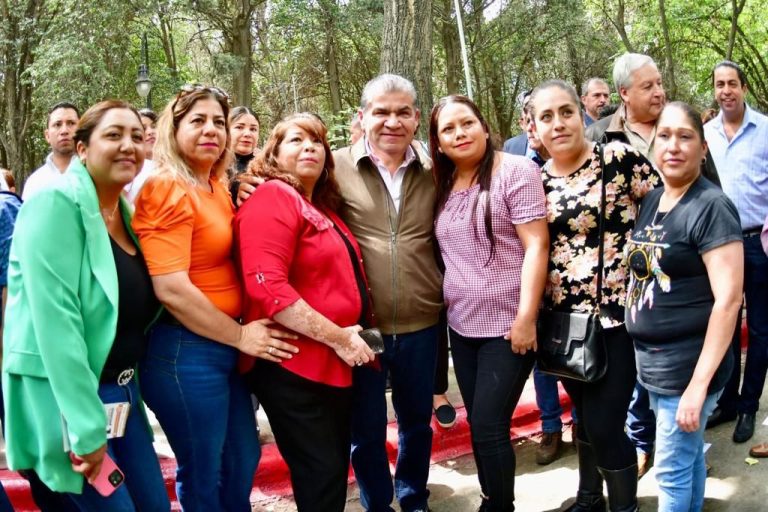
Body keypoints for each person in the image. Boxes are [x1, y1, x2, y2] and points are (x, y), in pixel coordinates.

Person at [132, 84, 296, 511]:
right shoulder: (166, 187)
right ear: (174, 128)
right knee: (205, 470)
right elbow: (170, 287)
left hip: (224, 350)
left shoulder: (216, 184)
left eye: (218, 122)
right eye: (198, 121)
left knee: (243, 457)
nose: (212, 130)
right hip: (185, 352)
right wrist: (241, 337)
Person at [2, 100, 170, 510]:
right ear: (81, 149)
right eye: (113, 135)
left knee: (155, 505)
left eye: (135, 135)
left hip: (123, 399)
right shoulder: (54, 204)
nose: (128, 145)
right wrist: (86, 429)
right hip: (70, 401)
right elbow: (56, 326)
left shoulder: (124, 212)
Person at [530, 80, 660, 512]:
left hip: (616, 319)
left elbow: (664, 208)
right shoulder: (535, 180)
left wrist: (650, 268)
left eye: (566, 112)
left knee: (606, 425)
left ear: (580, 114)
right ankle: (589, 499)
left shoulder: (617, 157)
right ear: (533, 127)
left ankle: (625, 507)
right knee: (584, 420)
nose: (558, 123)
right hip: (564, 326)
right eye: (546, 117)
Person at [236, 113, 375, 511]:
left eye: (317, 141)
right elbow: (267, 285)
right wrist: (340, 337)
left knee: (329, 473)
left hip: (330, 364)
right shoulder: (272, 196)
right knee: (321, 473)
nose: (310, 146)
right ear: (273, 154)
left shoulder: (321, 205)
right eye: (296, 140)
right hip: (294, 366)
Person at [430, 94, 548, 511]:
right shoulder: (440, 183)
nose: (459, 133)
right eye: (448, 129)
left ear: (483, 126)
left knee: (487, 424)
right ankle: (489, 498)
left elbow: (536, 246)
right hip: (462, 327)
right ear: (438, 142)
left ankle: (500, 506)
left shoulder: (515, 171)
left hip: (508, 325)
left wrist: (526, 318)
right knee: (482, 428)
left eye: (466, 123)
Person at [625, 101, 743, 511]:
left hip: (688, 369)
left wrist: (697, 386)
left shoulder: (711, 207)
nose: (674, 146)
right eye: (665, 136)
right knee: (688, 462)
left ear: (703, 148)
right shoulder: (654, 198)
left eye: (685, 136)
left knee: (670, 472)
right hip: (653, 368)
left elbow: (728, 301)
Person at [338, 74, 443, 512]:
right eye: (381, 112)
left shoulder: (438, 168)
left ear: (417, 119)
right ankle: (376, 503)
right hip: (362, 328)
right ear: (362, 118)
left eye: (403, 112)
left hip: (423, 322)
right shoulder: (334, 166)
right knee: (364, 430)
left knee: (417, 423)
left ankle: (412, 498)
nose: (392, 122)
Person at [703, 61, 768, 446]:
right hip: (717, 246)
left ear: (744, 87)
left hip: (758, 242)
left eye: (732, 84)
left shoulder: (765, 130)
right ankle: (726, 401)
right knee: (723, 327)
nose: (726, 90)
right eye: (719, 84)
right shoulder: (706, 134)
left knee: (760, 329)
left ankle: (748, 405)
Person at [22, 102, 80, 200]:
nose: (64, 131)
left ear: (81, 130)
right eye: (57, 124)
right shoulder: (35, 183)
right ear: (47, 136)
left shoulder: (95, 176)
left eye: (71, 123)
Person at [123, 108, 158, 204]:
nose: (150, 132)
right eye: (144, 128)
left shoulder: (172, 164)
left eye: (153, 126)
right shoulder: (129, 164)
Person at [227, 106, 260, 204]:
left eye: (253, 129)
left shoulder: (267, 167)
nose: (247, 134)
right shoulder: (214, 167)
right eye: (239, 127)